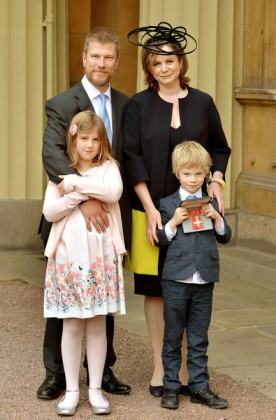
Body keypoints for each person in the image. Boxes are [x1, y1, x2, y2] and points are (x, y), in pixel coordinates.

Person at [123, 22, 231, 397]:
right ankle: (159, 366)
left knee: (191, 286)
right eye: (156, 62)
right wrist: (152, 209)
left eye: (170, 60)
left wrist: (216, 181)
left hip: (195, 209)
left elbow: (220, 148)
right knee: (156, 289)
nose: (164, 67)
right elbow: (131, 157)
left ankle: (184, 368)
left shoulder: (203, 101)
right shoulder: (138, 104)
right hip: (150, 210)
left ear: (181, 62)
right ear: (148, 67)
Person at [37, 26, 131, 400]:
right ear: (84, 58)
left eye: (109, 57)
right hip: (68, 218)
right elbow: (53, 157)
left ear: (116, 62)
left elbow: (125, 157)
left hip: (105, 223)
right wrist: (85, 196)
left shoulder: (127, 104)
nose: (102, 63)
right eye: (96, 56)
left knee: (100, 300)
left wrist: (104, 201)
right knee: (64, 304)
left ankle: (101, 372)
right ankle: (55, 373)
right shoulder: (62, 103)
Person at [43, 110, 126, 416]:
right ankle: (72, 390)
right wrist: (75, 198)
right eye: (85, 139)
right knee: (72, 324)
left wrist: (75, 186)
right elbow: (51, 212)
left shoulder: (107, 168)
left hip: (100, 260)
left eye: (95, 140)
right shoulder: (62, 173)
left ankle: (95, 390)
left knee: (97, 324)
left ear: (102, 142)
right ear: (74, 139)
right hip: (69, 259)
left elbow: (112, 193)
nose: (90, 145)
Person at [156, 140, 231, 410]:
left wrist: (218, 219)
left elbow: (226, 237)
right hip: (176, 279)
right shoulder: (167, 204)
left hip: (204, 279)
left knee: (199, 337)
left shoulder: (211, 202)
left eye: (198, 174)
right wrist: (173, 222)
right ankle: (171, 386)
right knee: (173, 336)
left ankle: (200, 387)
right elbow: (160, 240)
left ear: (207, 174)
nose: (192, 179)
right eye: (187, 174)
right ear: (177, 173)